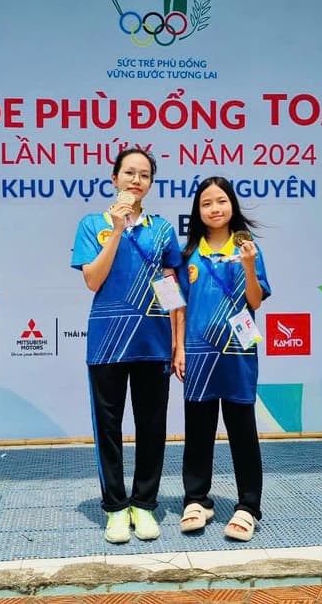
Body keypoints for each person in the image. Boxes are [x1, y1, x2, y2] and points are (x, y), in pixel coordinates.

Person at [71, 148, 182, 544]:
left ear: (151, 183)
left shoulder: (162, 229)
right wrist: (116, 230)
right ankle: (116, 509)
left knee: (153, 428)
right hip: (107, 345)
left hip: (153, 344)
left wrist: (177, 342)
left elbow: (170, 288)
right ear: (114, 177)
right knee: (109, 429)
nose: (137, 180)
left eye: (145, 175)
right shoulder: (92, 225)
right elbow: (92, 281)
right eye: (130, 173)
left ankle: (145, 505)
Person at [172, 176, 271, 542]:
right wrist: (179, 349)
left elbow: (256, 301)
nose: (215, 208)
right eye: (206, 203)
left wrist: (247, 264)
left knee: (242, 430)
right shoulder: (188, 255)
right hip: (198, 354)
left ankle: (248, 507)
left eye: (221, 201)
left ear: (232, 205)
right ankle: (197, 499)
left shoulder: (249, 247)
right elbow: (177, 306)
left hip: (237, 352)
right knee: (198, 431)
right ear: (198, 212)